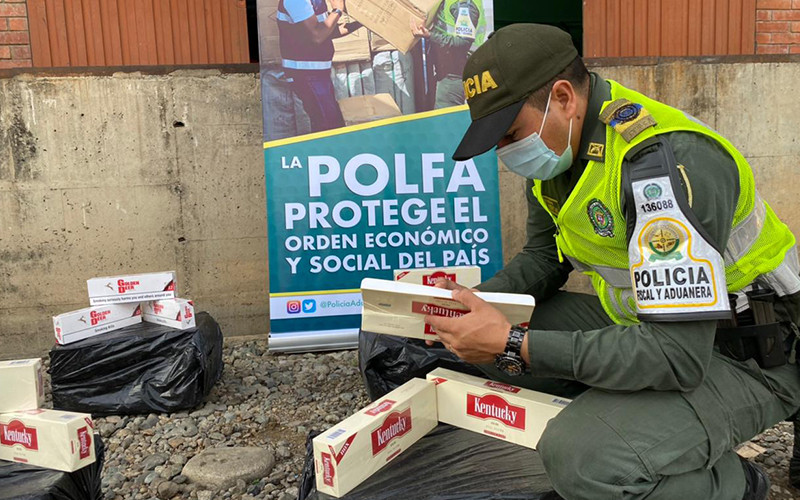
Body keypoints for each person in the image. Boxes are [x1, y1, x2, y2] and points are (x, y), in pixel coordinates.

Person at [424, 23, 800, 500]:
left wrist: (516, 341)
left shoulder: (662, 166)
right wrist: (477, 304)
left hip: (748, 350)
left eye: (510, 134)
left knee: (580, 456)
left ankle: (729, 482)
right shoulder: (560, 149)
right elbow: (545, 257)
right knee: (497, 338)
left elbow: (676, 356)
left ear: (563, 98)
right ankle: (644, 429)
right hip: (647, 323)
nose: (506, 153)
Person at [276, 0, 360, 132]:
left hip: (317, 75)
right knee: (329, 127)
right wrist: (338, 10)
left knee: (329, 124)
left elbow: (327, 31)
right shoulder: (297, 1)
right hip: (306, 75)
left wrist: (360, 24)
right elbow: (317, 35)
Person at [410, 0, 486, 109]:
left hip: (456, 74)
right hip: (448, 71)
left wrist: (429, 35)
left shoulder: (463, 5)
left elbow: (462, 42)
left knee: (446, 120)